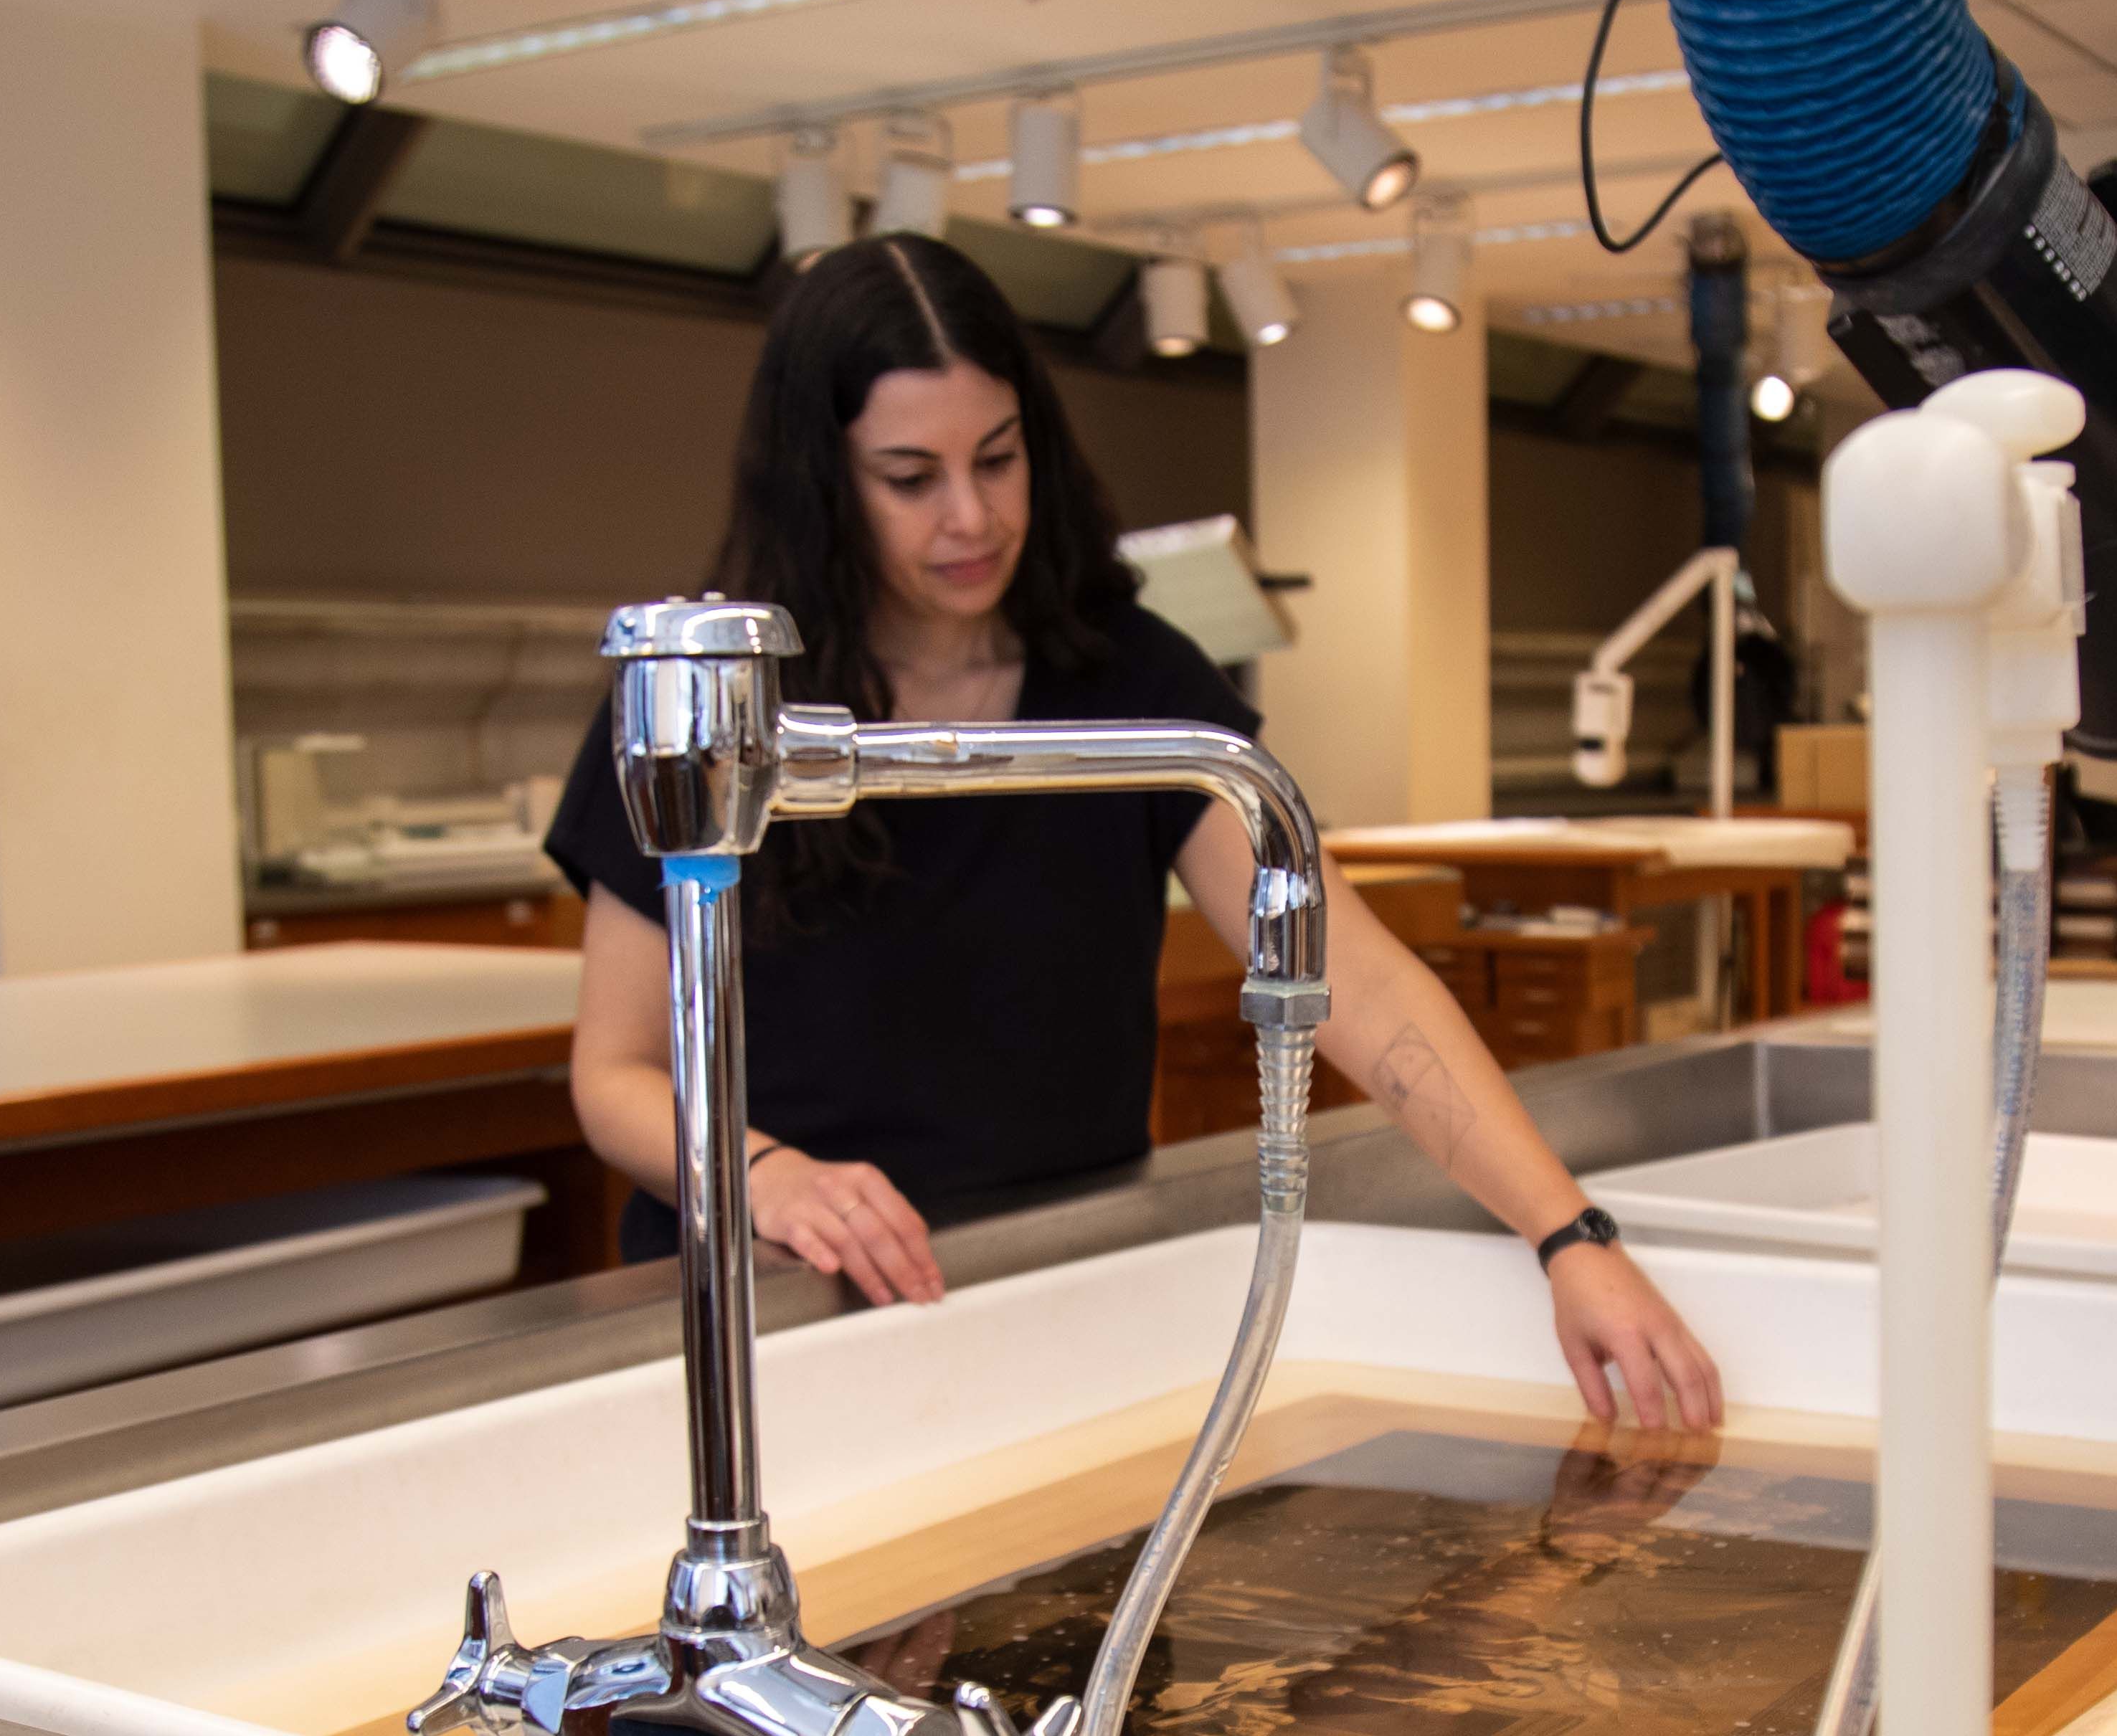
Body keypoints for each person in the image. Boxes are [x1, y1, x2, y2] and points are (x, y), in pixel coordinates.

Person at [544, 235, 1724, 1433]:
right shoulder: (707, 707)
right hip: (778, 1321)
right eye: (911, 477)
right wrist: (766, 1175)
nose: (971, 516)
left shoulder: (1128, 680)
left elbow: (1346, 973)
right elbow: (618, 1074)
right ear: (822, 480)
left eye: (997, 460)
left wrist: (1566, 1234)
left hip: (1067, 1296)